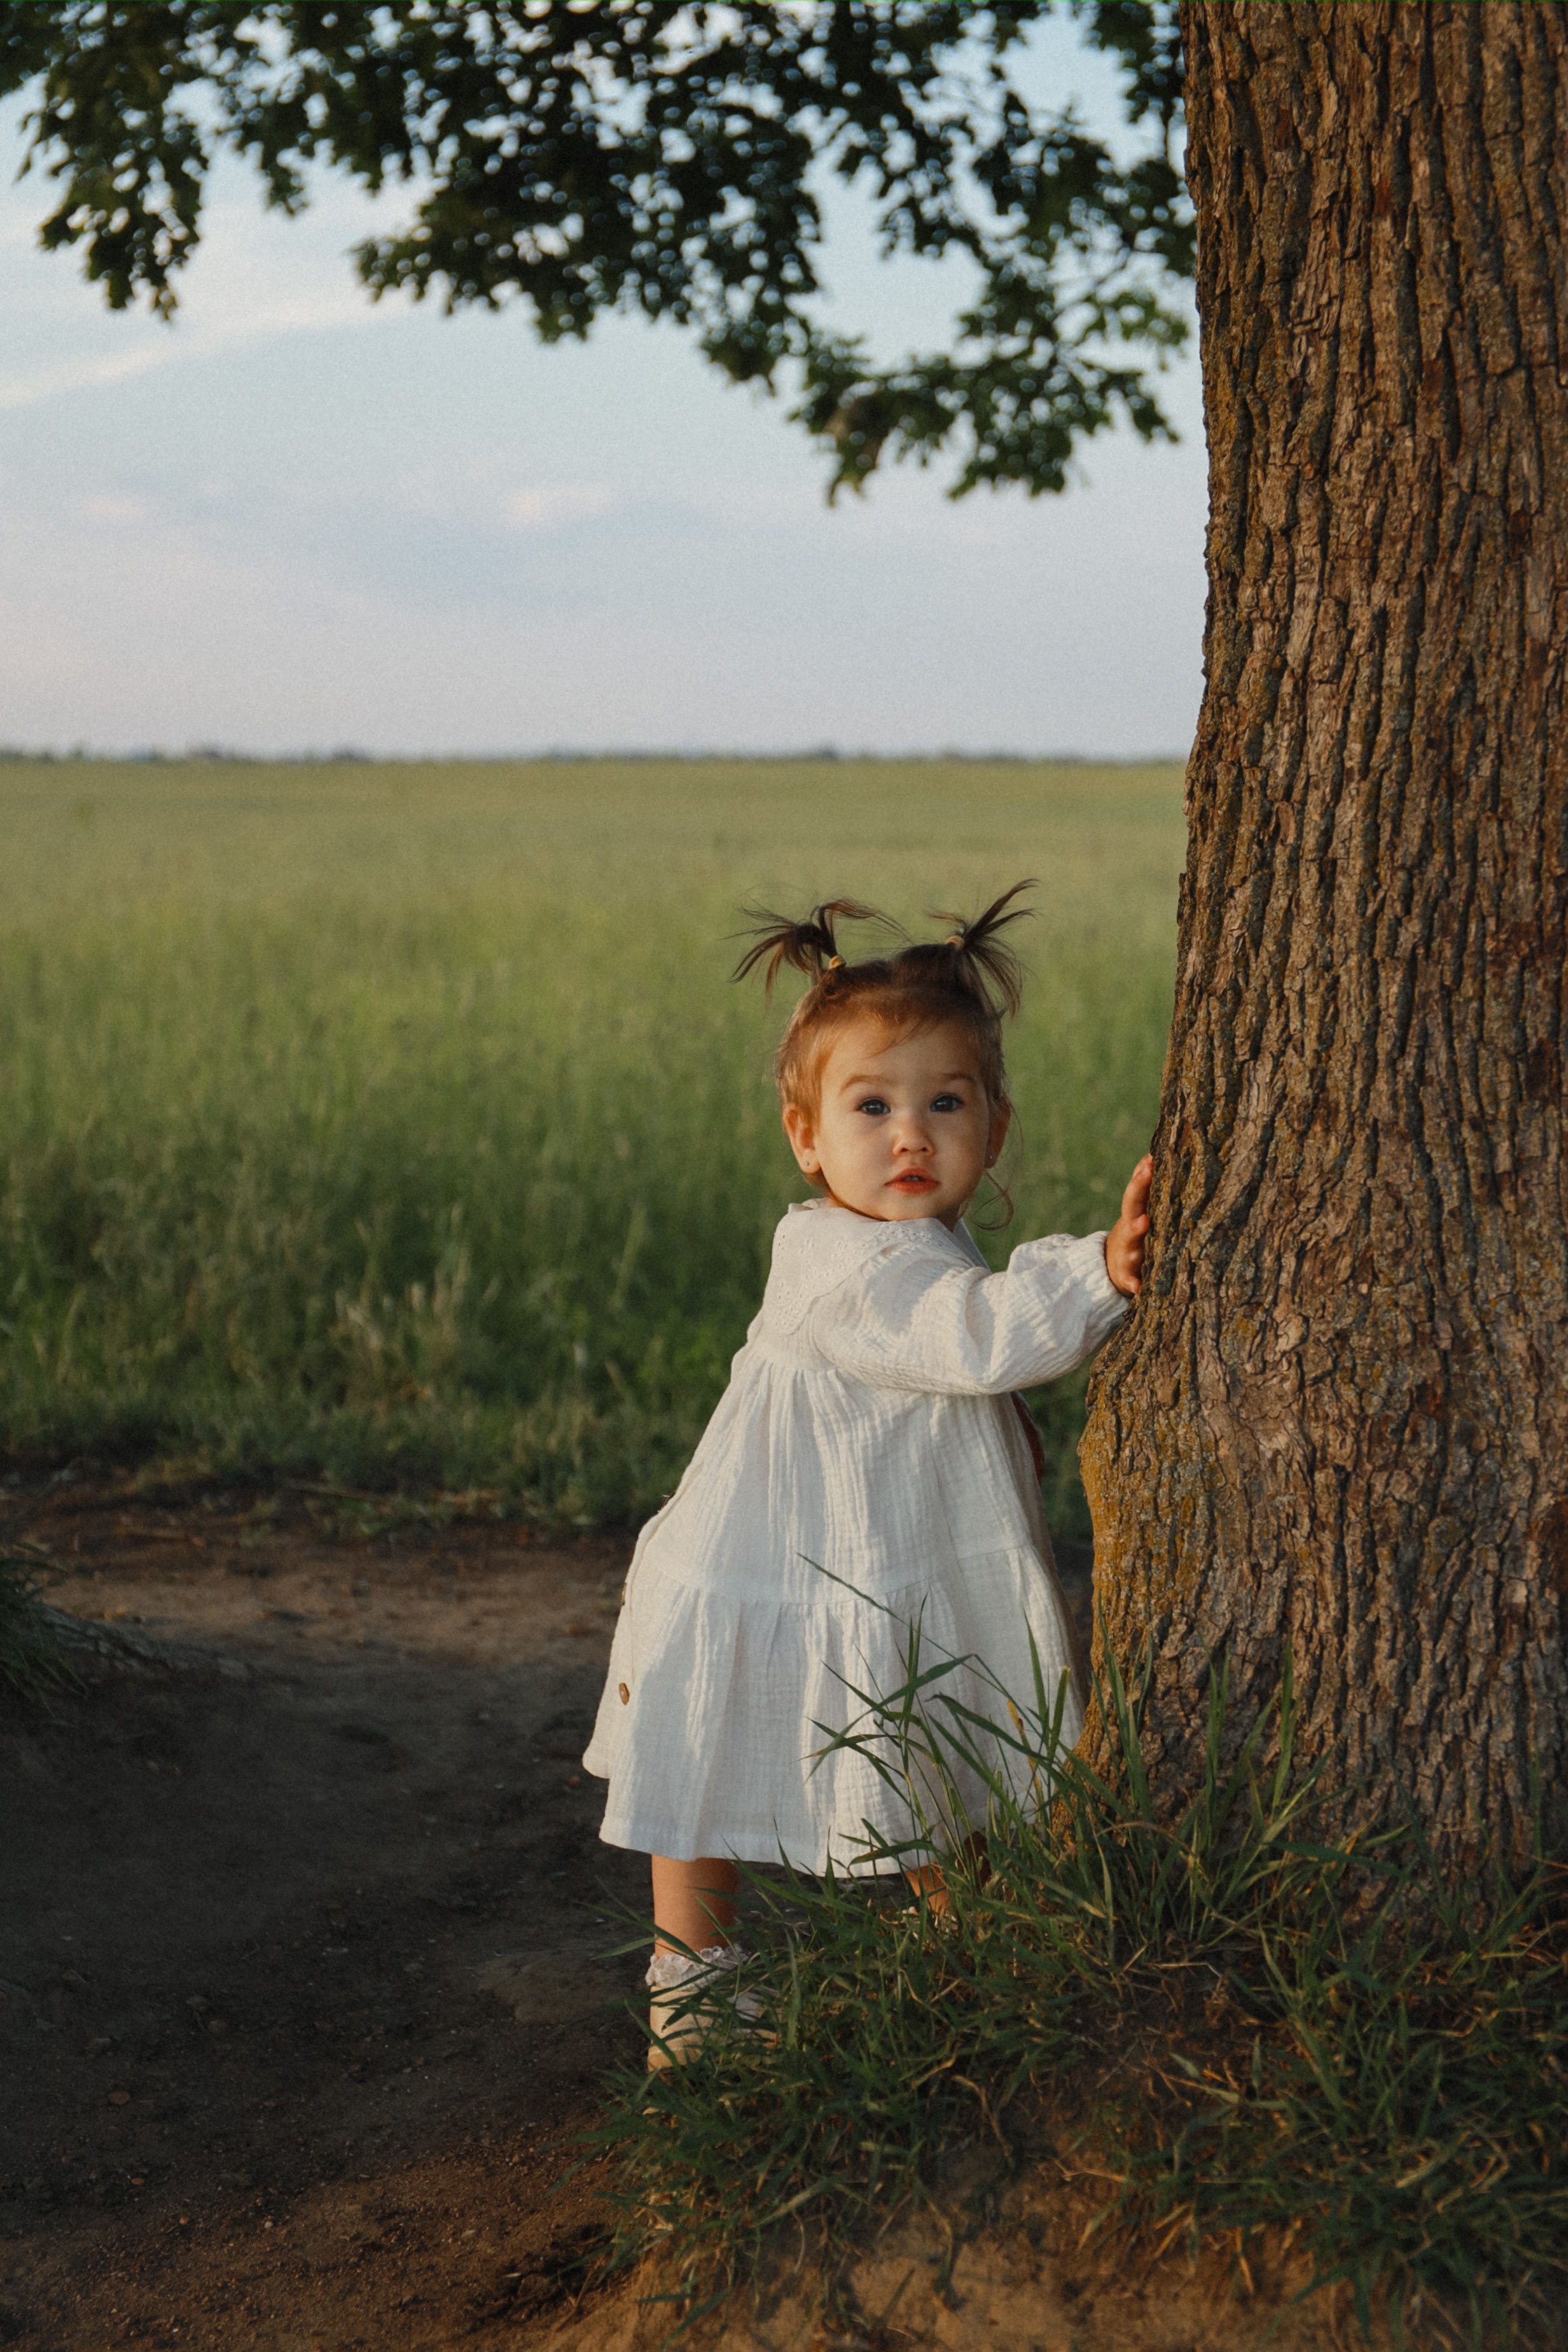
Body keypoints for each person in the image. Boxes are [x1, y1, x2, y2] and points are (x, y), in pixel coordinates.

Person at [582, 884, 1152, 2067]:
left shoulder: (911, 1239)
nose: (911, 1135)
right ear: (805, 1135)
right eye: (872, 1105)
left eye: (946, 1102)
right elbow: (974, 1337)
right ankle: (693, 1998)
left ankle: (969, 1952)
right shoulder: (846, 1264)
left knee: (941, 1732)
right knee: (703, 1771)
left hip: (866, 1552)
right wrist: (1098, 1269)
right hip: (766, 1560)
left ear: (992, 1124)